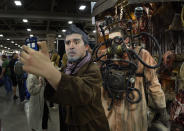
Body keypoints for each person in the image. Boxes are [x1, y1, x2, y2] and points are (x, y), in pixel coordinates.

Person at [20, 24, 110, 131]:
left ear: (86, 46)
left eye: (76, 42)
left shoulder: (93, 68)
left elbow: (82, 93)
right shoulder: (66, 68)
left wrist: (49, 71)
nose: (71, 46)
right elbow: (57, 95)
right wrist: (47, 74)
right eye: (68, 43)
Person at [100, 27, 169, 131]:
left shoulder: (141, 55)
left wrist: (162, 109)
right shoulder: (104, 56)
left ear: (127, 40)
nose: (113, 44)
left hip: (133, 113)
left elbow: (153, 85)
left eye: (117, 40)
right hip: (110, 115)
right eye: (111, 41)